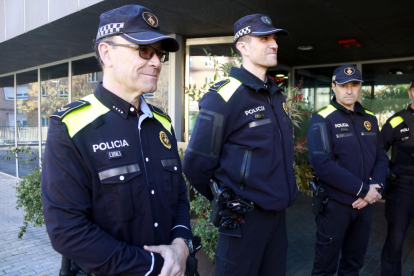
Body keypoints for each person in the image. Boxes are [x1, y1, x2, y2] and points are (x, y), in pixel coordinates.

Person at [41, 5, 193, 276]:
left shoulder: (162, 122)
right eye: (143, 51)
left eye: (159, 53)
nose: (156, 62)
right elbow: (68, 231)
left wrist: (181, 245)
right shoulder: (72, 127)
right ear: (106, 53)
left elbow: (179, 196)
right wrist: (155, 266)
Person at [183, 14, 298, 276]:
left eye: (275, 38)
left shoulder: (275, 94)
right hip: (243, 220)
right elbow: (195, 165)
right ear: (243, 47)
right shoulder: (224, 96)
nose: (274, 44)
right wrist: (227, 199)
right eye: (264, 38)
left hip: (278, 217)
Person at [307, 65, 389, 275]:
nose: (350, 90)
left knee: (353, 265)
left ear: (360, 86)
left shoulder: (370, 118)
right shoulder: (322, 118)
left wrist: (374, 190)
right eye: (344, 85)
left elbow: (381, 156)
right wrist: (363, 190)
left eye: (355, 85)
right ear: (334, 87)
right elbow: (322, 164)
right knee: (325, 268)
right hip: (336, 205)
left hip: (364, 207)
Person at [380, 80, 414, 276]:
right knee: (395, 241)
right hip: (402, 190)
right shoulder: (396, 120)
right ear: (410, 93)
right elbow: (377, 152)